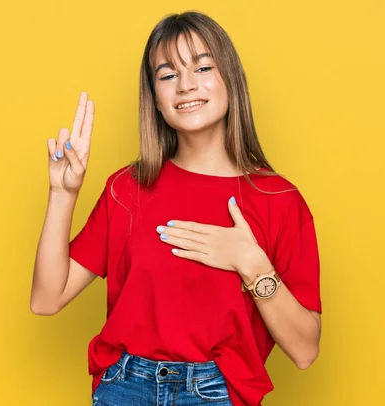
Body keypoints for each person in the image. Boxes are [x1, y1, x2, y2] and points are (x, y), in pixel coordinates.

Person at [31, 11, 322, 406]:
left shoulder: (278, 200)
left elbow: (305, 350)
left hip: (218, 393)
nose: (185, 85)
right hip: (125, 388)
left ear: (230, 80)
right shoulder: (127, 189)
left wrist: (251, 263)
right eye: (168, 75)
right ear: (155, 97)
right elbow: (46, 300)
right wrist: (62, 194)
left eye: (202, 67)